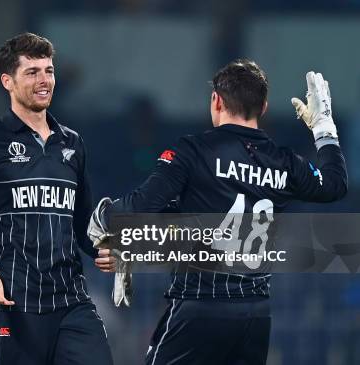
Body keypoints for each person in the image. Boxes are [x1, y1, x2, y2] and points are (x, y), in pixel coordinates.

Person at [90, 59, 347, 365]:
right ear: (263, 107)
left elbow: (142, 205)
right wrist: (324, 127)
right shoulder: (285, 163)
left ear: (216, 100)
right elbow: (335, 185)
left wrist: (103, 216)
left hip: (200, 305)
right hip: (254, 314)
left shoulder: (194, 151)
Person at [0, 32, 113, 365]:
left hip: (72, 301)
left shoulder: (73, 144)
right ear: (7, 82)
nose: (44, 81)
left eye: (49, 71)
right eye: (32, 72)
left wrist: (103, 249)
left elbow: (83, 222)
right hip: (13, 303)